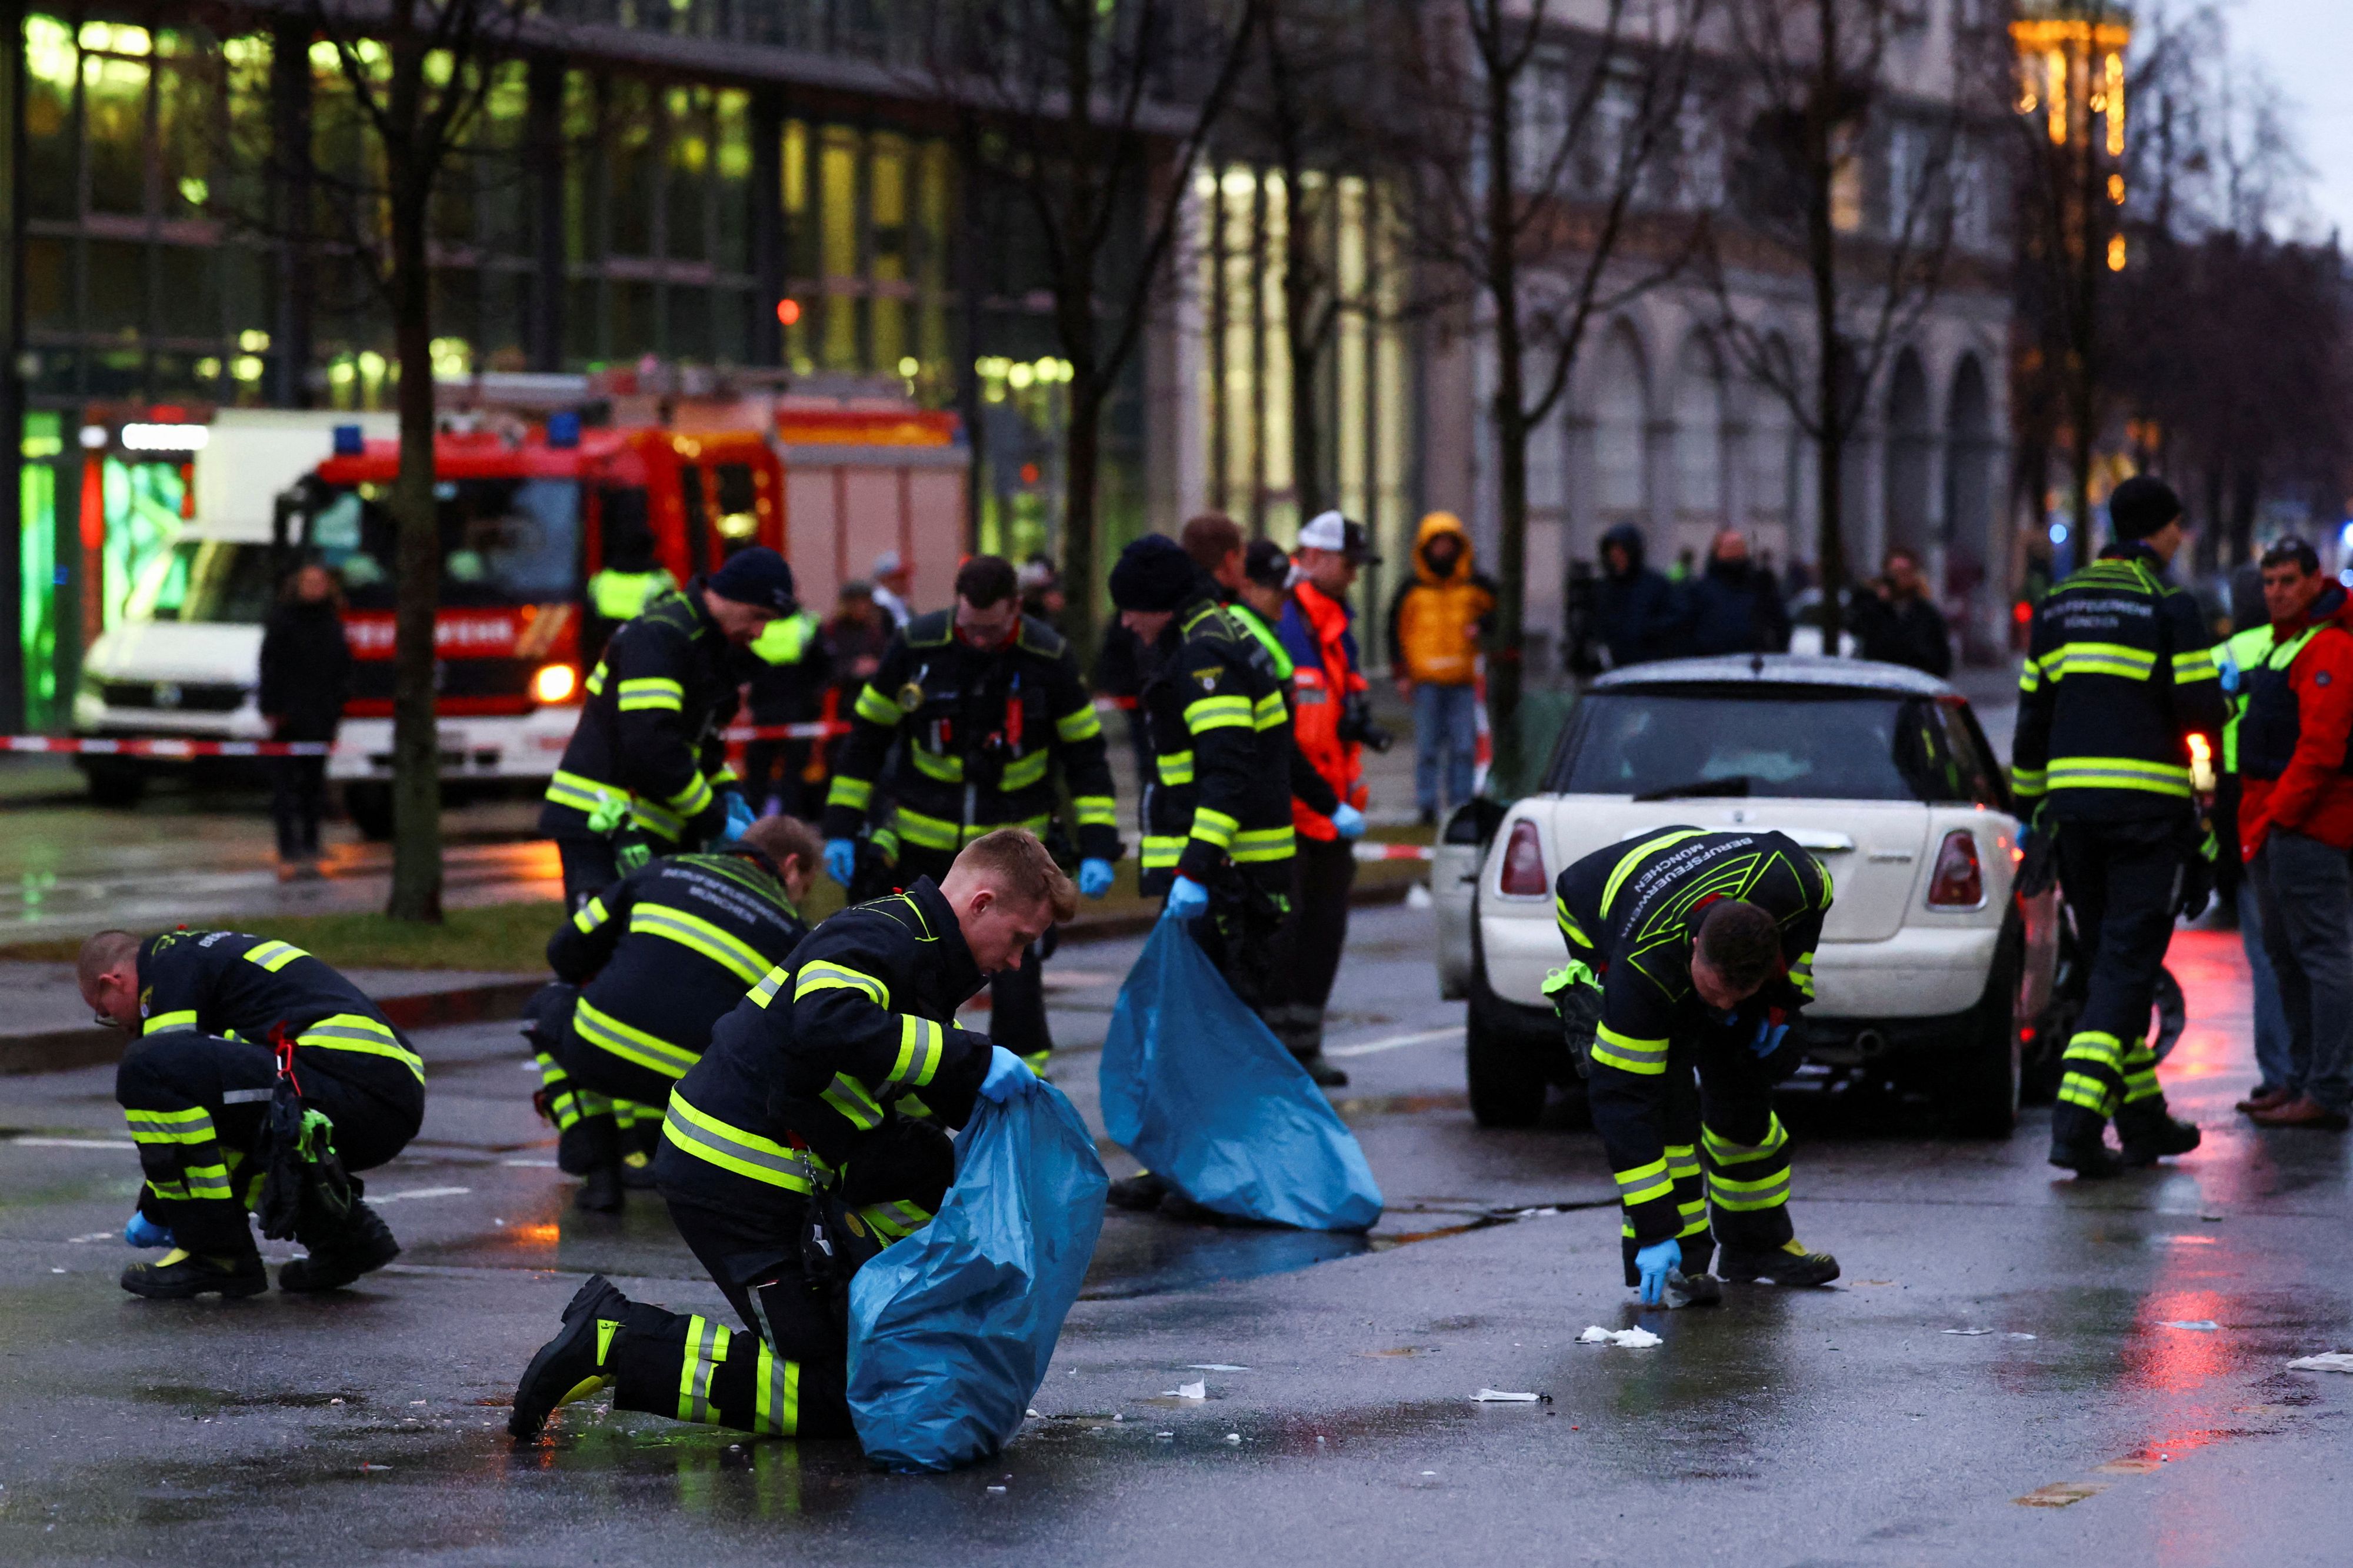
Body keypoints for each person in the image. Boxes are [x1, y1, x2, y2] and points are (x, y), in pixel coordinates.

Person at [505, 830, 1072, 1444]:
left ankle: (622, 1340)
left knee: (868, 1369)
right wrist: (969, 1057)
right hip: (730, 1172)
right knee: (845, 1393)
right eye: (1019, 940)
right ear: (981, 902)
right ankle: (616, 1342)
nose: (1016, 962)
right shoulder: (881, 934)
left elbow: (901, 1068)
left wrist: (1009, 1109)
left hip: (762, 1171)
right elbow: (829, 1020)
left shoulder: (920, 953)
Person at [818, 555, 1120, 1071]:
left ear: (1017, 609)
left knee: (1016, 974)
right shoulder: (917, 648)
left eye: (992, 629)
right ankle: (914, 1083)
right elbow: (866, 741)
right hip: (926, 848)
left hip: (1014, 855)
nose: (978, 639)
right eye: (969, 627)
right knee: (915, 970)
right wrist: (842, 830)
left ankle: (1024, 1084)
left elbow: (1086, 757)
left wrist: (1098, 843)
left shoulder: (1048, 657)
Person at [2013, 475, 2222, 1176]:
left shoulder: (2057, 603)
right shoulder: (2167, 603)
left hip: (2073, 817)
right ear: (2160, 529)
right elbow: (2200, 723)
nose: (2178, 538)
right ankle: (2075, 1126)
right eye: (2176, 527)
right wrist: (2206, 808)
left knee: (2111, 966)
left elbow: (2031, 721)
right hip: (2147, 820)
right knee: (2127, 967)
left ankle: (2141, 1120)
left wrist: (2031, 816)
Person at [1104, 535, 1319, 1212]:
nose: (1125, 622)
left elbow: (1226, 772)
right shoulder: (1206, 638)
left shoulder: (1204, 654)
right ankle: (1181, 1167)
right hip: (1219, 874)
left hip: (1231, 879)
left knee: (1219, 1035)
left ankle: (1217, 1176)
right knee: (1186, 1030)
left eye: (1132, 609)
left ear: (1159, 605)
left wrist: (1196, 868)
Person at [1547, 829, 1841, 1303]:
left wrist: (1783, 1001)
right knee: (1665, 1108)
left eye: (1737, 995)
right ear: (1695, 947)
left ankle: (1758, 1248)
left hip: (1712, 887)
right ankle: (1678, 1258)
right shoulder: (1644, 970)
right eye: (1715, 991)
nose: (1723, 1005)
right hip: (1598, 909)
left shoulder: (1793, 882)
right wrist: (1654, 1232)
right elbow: (1621, 1102)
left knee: (1744, 1097)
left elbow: (1810, 919)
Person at [78, 926, 425, 1299]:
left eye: (106, 1013)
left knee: (146, 1067)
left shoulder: (169, 965)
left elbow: (163, 1072)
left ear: (114, 981)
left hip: (348, 1083)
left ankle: (216, 1255)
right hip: (377, 1095)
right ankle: (344, 1238)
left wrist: (157, 1210)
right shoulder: (201, 960)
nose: (120, 1025)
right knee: (220, 1110)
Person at [528, 815, 822, 1212]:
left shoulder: (662, 871)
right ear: (790, 867)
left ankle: (599, 1173)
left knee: (549, 1005)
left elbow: (564, 951)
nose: (798, 899)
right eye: (804, 889)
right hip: (697, 1091)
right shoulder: (796, 939)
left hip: (598, 1049)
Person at [539, 546, 794, 912]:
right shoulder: (662, 637)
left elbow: (696, 745)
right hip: (600, 820)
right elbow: (653, 747)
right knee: (599, 951)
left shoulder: (705, 644)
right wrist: (716, 819)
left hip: (641, 823)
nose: (758, 632)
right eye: (757, 616)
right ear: (727, 595)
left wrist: (728, 791)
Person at [2231, 538, 2353, 1131]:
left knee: (2321, 957)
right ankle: (2301, 1081)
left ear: (2313, 581)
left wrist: (2280, 813)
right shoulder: (2289, 644)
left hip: (2306, 826)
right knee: (2289, 958)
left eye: (2286, 580)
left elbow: (2321, 747)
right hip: (2277, 825)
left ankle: (2325, 1088)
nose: (2275, 591)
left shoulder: (2326, 645)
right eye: (2269, 581)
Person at [1272, 511, 1378, 1082]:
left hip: (1332, 810)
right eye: (1348, 563)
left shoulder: (1334, 620)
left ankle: (1303, 1048)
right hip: (1294, 810)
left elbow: (1343, 697)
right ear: (1312, 555)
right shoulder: (1286, 616)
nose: (1354, 575)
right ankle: (1278, 1056)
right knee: (1286, 940)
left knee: (1323, 933)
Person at [1178, 515, 1349, 831]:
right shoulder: (1236, 635)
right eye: (1279, 592)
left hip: (1275, 796)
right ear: (1246, 583)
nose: (1287, 601)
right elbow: (1258, 745)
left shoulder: (1255, 630)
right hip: (1256, 808)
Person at [2212, 596, 2295, 1108]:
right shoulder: (2303, 645)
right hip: (2300, 798)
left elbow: (2197, 732)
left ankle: (2279, 1072)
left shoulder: (2225, 652)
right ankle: (2323, 1071)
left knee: (2265, 953)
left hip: (2237, 798)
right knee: (2318, 948)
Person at [1388, 512, 1497, 827]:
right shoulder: (1411, 589)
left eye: (1449, 543)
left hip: (1463, 681)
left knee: (1464, 747)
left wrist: (1483, 628)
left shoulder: (1476, 585)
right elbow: (1395, 630)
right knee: (1427, 747)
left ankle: (1460, 805)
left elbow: (1498, 614)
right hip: (1426, 682)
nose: (1443, 550)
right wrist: (1402, 674)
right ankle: (1427, 806)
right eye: (1437, 543)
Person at [256, 562, 352, 880]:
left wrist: (337, 710)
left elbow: (341, 670)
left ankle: (311, 842)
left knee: (314, 785)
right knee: (284, 786)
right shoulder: (282, 620)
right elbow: (270, 665)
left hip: (321, 718)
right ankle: (287, 845)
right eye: (308, 582)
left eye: (319, 582)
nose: (314, 588)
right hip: (287, 717)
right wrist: (272, 708)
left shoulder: (332, 623)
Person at [742, 603, 832, 819]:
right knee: (793, 776)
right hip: (799, 712)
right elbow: (825, 666)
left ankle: (750, 826)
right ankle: (788, 827)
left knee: (757, 778)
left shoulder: (755, 624)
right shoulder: (807, 624)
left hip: (763, 711)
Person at [581, 521, 677, 667]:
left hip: (606, 656)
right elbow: (670, 623)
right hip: (646, 655)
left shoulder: (599, 581)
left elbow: (590, 623)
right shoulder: (660, 581)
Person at [1592, 523, 1688, 670]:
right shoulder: (1603, 588)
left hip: (1650, 665)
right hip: (1614, 667)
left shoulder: (1656, 585)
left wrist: (1647, 631)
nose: (1617, 557)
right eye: (1613, 552)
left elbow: (1675, 618)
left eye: (1622, 551)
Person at [1685, 531, 1791, 657]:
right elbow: (1782, 628)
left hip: (1711, 665)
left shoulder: (1700, 590)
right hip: (1752, 665)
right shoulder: (1760, 588)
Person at [1851, 547, 1953, 676]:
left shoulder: (1927, 614)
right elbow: (1857, 628)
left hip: (1916, 679)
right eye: (1896, 573)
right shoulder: (1873, 607)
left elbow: (1941, 654)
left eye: (1905, 573)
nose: (1900, 578)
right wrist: (1877, 602)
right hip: (1878, 678)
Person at [870, 550, 914, 630]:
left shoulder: (899, 601)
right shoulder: (880, 604)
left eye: (905, 577)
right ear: (883, 579)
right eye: (898, 577)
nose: (904, 582)